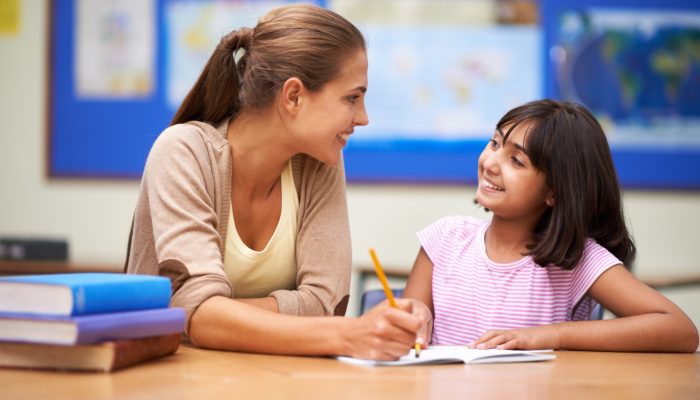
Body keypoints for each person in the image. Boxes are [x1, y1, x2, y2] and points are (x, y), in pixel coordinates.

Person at [126, 4, 420, 360]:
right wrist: (344, 335)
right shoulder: (183, 153)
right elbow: (198, 315)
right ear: (293, 96)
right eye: (352, 98)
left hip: (274, 378)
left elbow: (327, 303)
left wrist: (217, 312)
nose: (363, 118)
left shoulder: (320, 162)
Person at [402, 99, 699, 352]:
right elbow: (405, 333)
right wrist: (410, 319)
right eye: (494, 143)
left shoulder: (577, 259)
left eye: (516, 160)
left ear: (555, 191)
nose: (491, 162)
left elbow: (680, 329)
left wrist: (550, 335)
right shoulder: (444, 239)